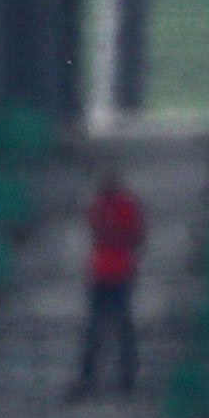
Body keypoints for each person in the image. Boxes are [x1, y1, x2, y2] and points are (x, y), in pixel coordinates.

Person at [72, 167, 144, 397]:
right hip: (111, 269)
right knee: (111, 327)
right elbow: (135, 236)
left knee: (107, 327)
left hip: (111, 270)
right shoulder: (116, 205)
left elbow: (123, 234)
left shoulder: (109, 206)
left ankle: (103, 377)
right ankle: (117, 377)